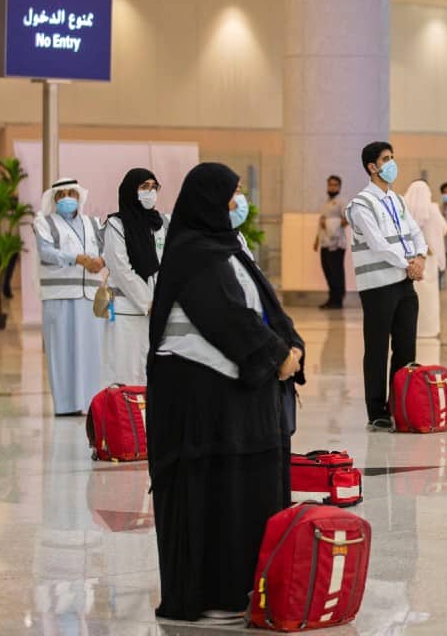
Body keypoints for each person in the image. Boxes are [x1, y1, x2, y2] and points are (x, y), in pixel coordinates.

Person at [146, 163, 304, 623]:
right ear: (210, 200)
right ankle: (213, 595)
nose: (240, 203)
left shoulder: (231, 248)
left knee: (250, 496)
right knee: (215, 498)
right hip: (201, 405)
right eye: (232, 194)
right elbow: (225, 316)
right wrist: (275, 357)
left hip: (240, 399)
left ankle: (246, 589)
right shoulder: (192, 254)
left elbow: (266, 306)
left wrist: (291, 346)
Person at [346, 141, 427, 431]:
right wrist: (410, 263)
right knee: (378, 348)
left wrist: (420, 256)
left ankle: (400, 404)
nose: (392, 163)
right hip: (378, 285)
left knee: (406, 347)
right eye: (386, 159)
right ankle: (377, 410)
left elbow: (415, 231)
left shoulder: (397, 200)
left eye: (393, 157)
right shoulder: (360, 205)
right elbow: (378, 245)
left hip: (405, 283)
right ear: (372, 166)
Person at [34, 178, 105, 416]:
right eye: (61, 194)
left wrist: (101, 261)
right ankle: (65, 405)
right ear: (54, 199)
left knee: (91, 351)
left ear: (78, 197)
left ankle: (90, 403)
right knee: (62, 349)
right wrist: (78, 259)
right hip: (59, 295)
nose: (66, 198)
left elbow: (105, 248)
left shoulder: (93, 222)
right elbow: (46, 252)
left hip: (90, 296)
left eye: (71, 193)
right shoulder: (45, 222)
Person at [101, 168, 168, 386]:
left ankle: (147, 420)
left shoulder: (160, 225)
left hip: (155, 311)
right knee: (125, 374)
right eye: (143, 187)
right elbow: (121, 269)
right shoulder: (116, 225)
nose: (150, 192)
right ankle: (125, 419)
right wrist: (147, 301)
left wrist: (160, 302)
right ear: (131, 190)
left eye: (153, 187)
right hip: (127, 310)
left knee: (151, 373)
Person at [403, 180, 447, 339]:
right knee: (429, 297)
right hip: (428, 258)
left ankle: (410, 329)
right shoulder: (433, 209)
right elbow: (444, 228)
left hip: (409, 260)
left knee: (410, 296)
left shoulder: (403, 209)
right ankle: (429, 329)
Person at [313, 175, 348, 309]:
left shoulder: (342, 202)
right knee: (327, 271)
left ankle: (338, 300)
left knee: (336, 272)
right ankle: (331, 298)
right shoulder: (325, 202)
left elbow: (347, 220)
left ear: (339, 187)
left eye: (335, 185)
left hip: (337, 244)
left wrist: (331, 224)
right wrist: (317, 240)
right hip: (324, 242)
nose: (332, 187)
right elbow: (321, 221)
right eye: (330, 185)